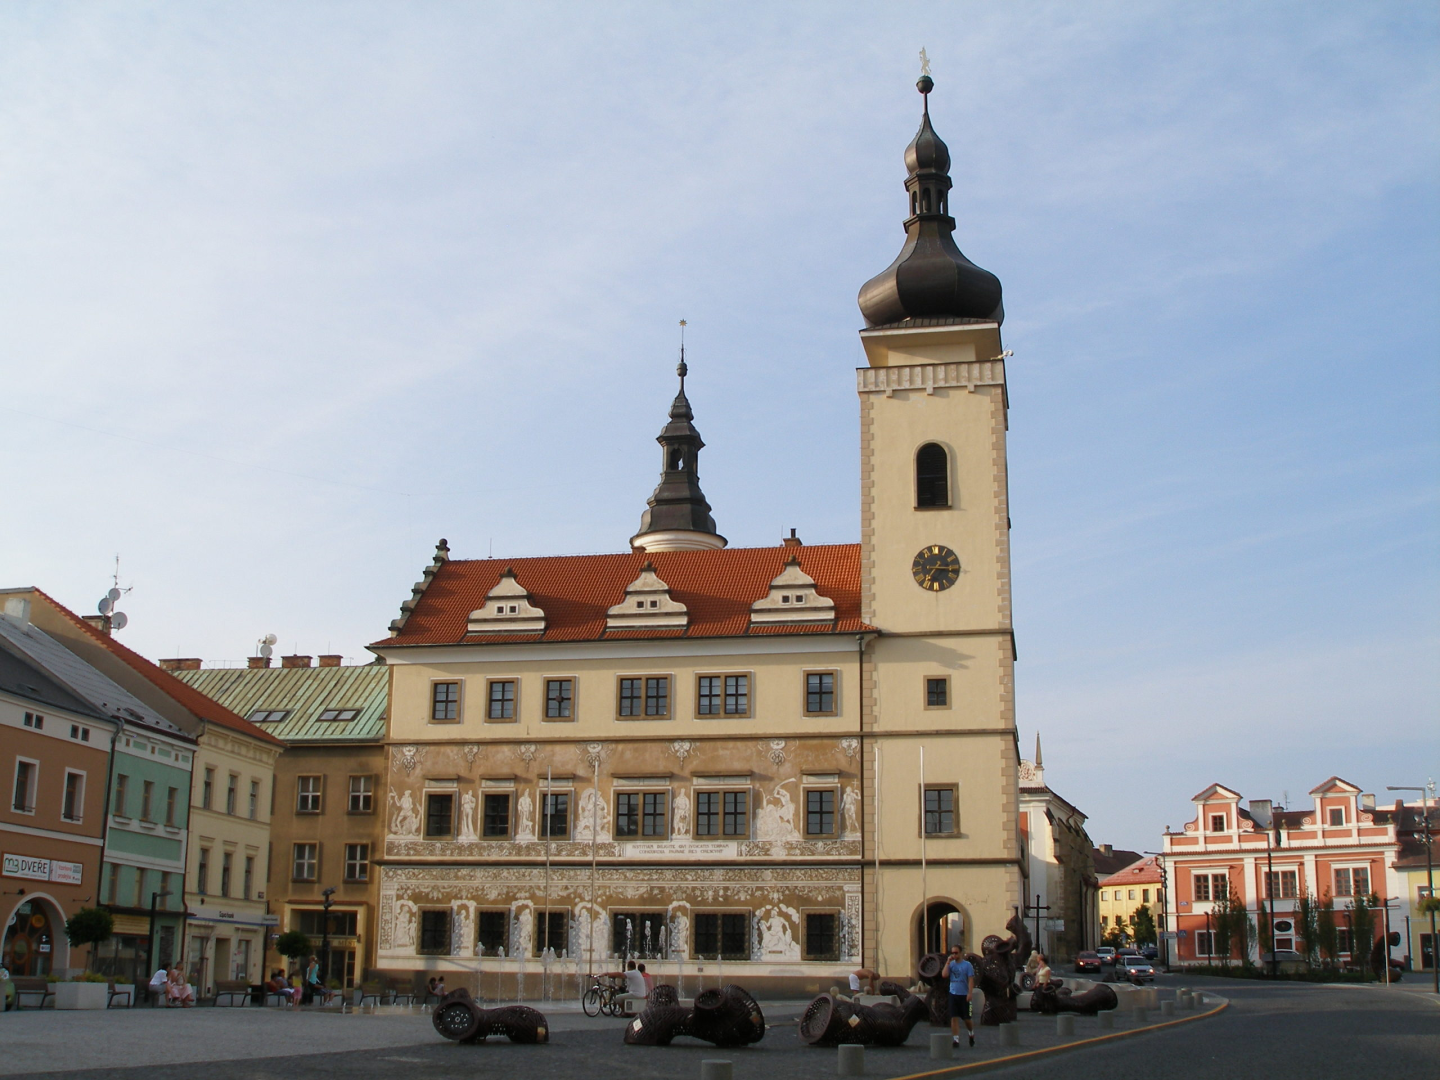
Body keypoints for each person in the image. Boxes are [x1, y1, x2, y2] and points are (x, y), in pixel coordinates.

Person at [941, 945, 975, 1048]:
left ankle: (971, 1033)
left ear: (960, 953)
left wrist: (970, 993)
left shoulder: (967, 965)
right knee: (954, 1017)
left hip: (964, 995)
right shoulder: (951, 965)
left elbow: (970, 980)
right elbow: (944, 975)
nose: (954, 955)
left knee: (967, 1019)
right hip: (953, 993)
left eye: (956, 953)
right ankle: (956, 1039)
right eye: (952, 953)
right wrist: (947, 962)